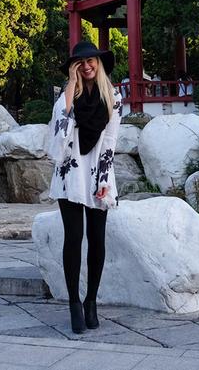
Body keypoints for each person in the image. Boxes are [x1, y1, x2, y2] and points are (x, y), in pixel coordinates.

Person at [47, 41, 122, 334]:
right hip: (69, 174)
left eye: (91, 61)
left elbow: (111, 141)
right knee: (74, 238)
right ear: (74, 68)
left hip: (97, 174)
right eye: (80, 63)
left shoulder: (113, 98)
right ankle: (74, 304)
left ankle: (91, 301)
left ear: (99, 64)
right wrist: (69, 92)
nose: (87, 65)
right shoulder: (66, 98)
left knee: (97, 240)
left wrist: (104, 179)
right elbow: (57, 142)